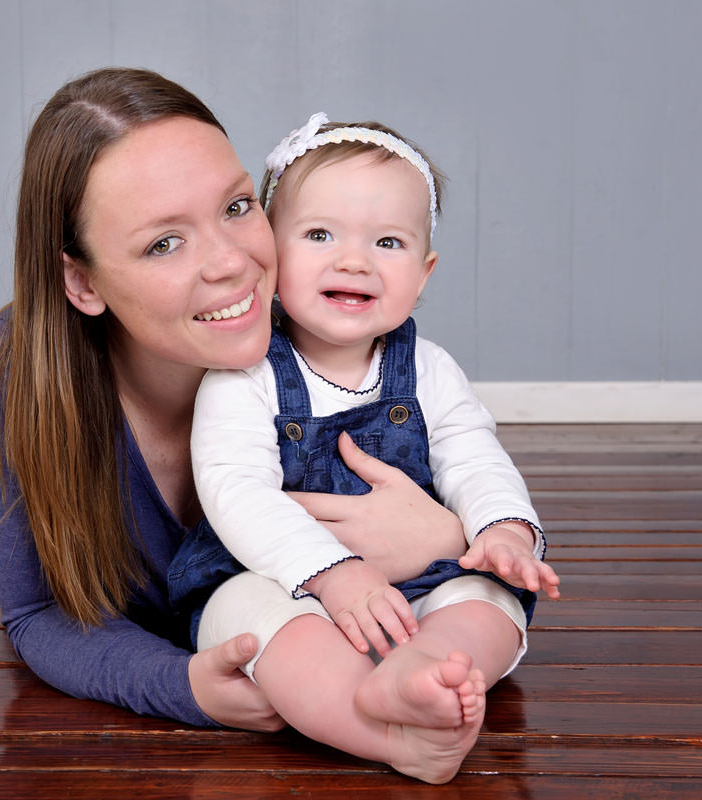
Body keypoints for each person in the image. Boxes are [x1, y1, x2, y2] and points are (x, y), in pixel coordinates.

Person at [0, 69, 469, 742]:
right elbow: (36, 614)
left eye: (235, 208)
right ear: (82, 282)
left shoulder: (333, 333)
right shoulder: (22, 368)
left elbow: (471, 467)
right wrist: (182, 685)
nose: (231, 263)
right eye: (163, 243)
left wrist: (449, 539)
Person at [168, 113, 561, 782]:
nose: (353, 260)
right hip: (286, 584)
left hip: (419, 581)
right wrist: (332, 573)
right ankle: (379, 729)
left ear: (424, 272)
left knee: (488, 602)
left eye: (387, 241)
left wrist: (504, 530)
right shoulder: (245, 376)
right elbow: (236, 493)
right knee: (248, 619)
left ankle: (429, 669)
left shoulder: (429, 369)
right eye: (320, 235)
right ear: (271, 252)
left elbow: (475, 456)